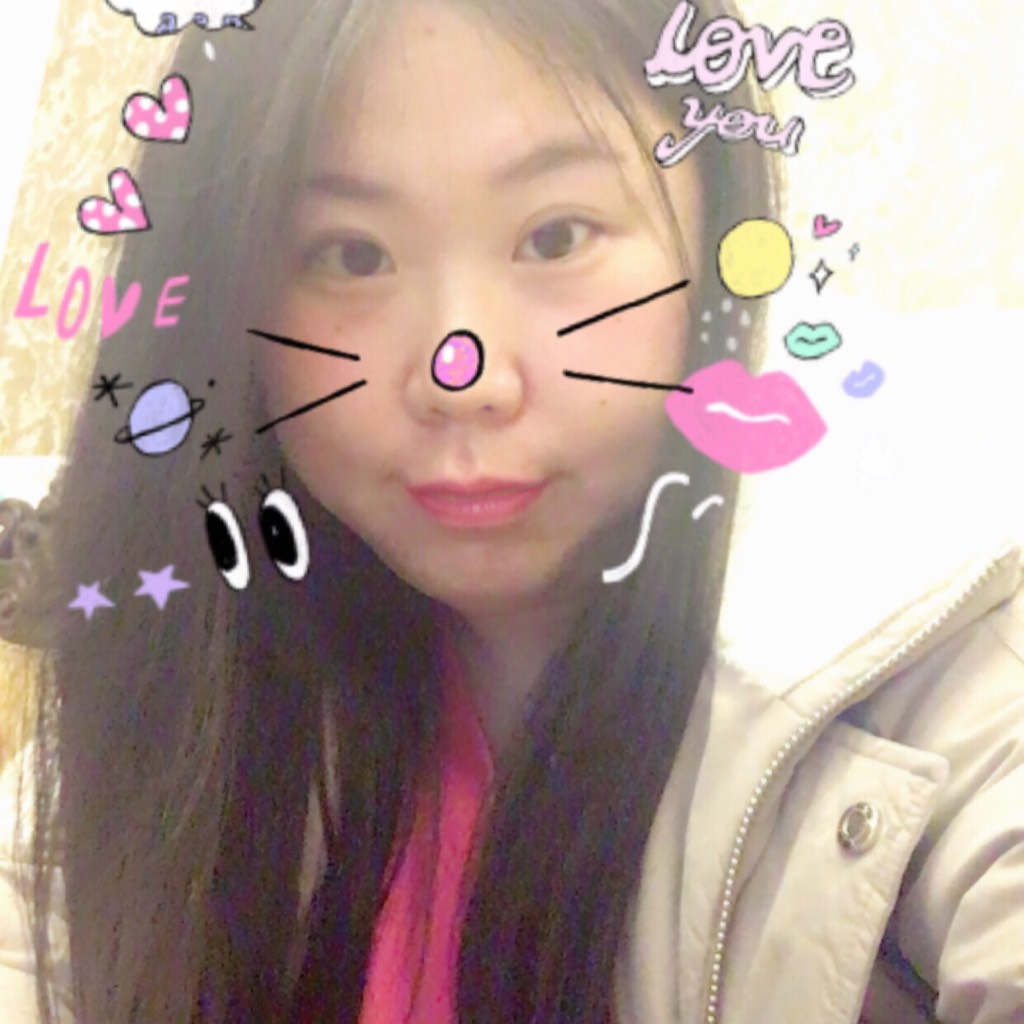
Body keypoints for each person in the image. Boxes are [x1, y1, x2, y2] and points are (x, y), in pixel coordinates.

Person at [1, 0, 1022, 1022]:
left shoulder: (937, 675)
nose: (464, 375)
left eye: (555, 236)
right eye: (351, 255)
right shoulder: (166, 706)